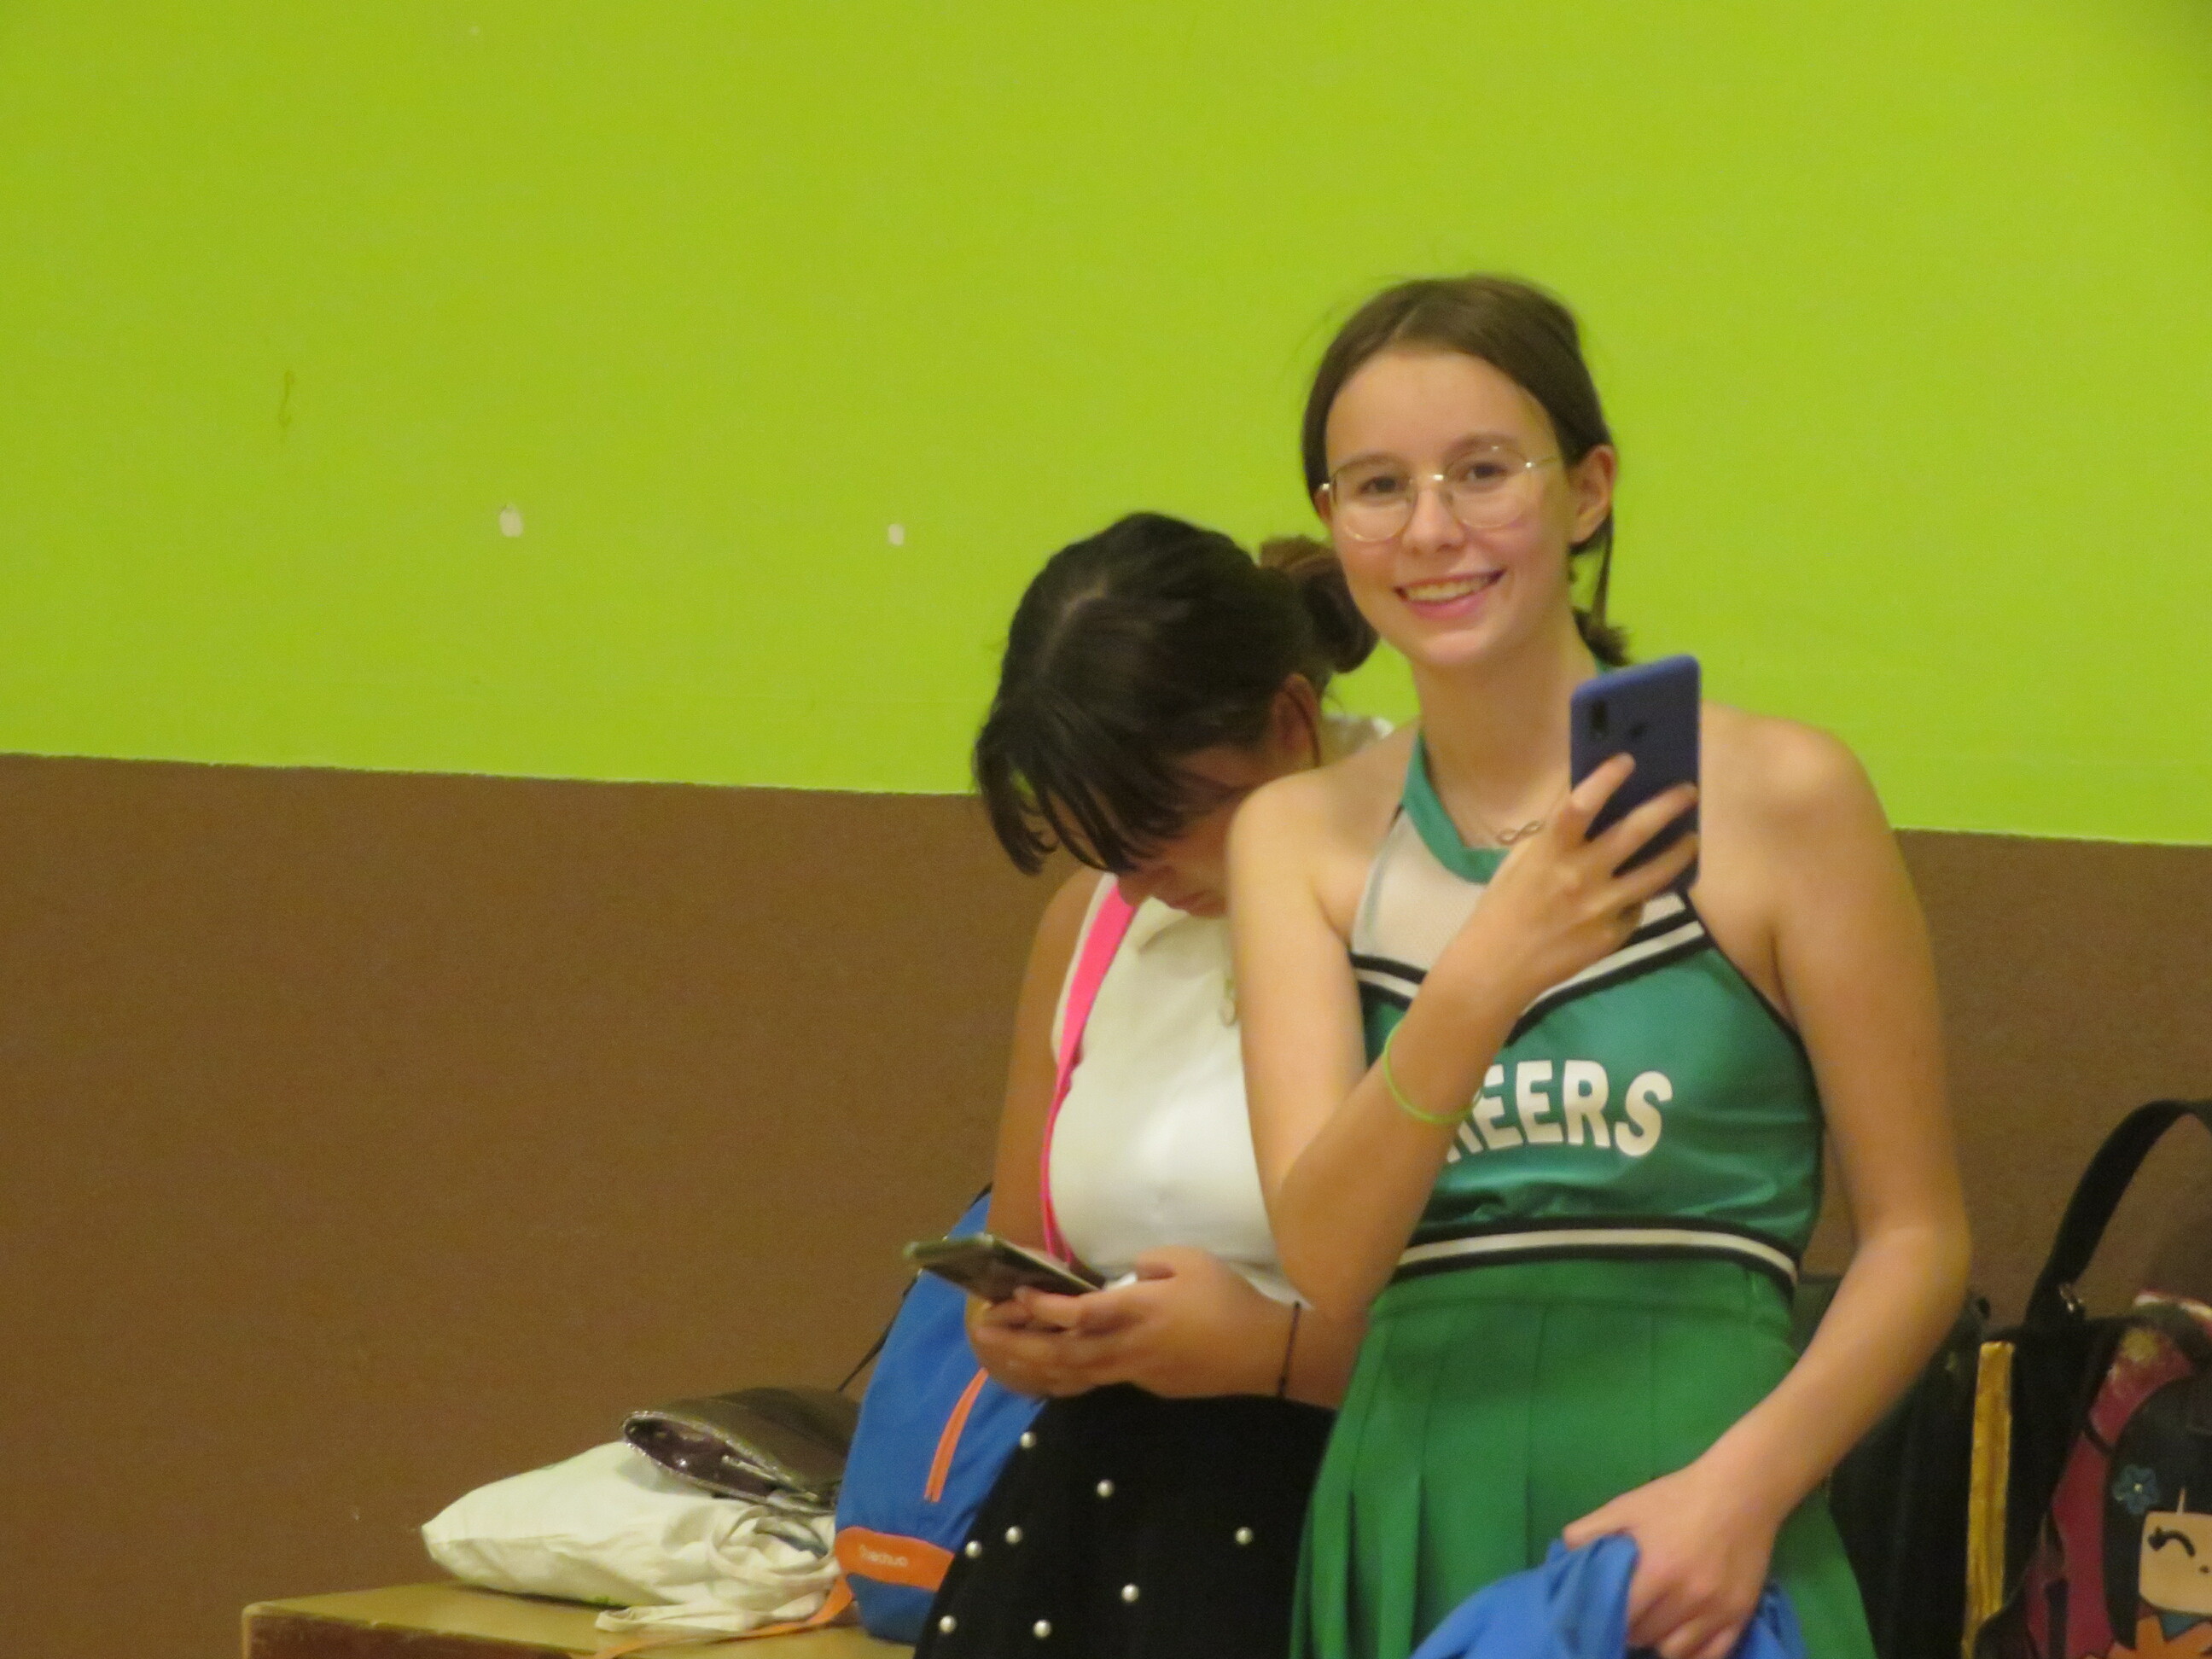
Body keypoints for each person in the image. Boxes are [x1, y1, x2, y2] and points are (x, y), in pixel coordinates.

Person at [1228, 276, 1971, 1659]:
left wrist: (1739, 1495)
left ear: (1588, 490)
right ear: (1333, 523)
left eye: (1483, 471)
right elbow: (1327, 1261)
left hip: (1709, 1519)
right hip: (1414, 1495)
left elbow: (1920, 1239)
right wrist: (1486, 971)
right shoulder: (1297, 838)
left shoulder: (1788, 797)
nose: (1432, 529)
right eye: (1378, 486)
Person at [917, 512, 1385, 1659]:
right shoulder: (1094, 923)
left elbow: (1534, 1336)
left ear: (1292, 724)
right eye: (1105, 848)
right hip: (1099, 1528)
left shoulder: (1428, 882)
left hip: (1350, 1515)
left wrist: (1270, 1351)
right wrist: (1022, 1337)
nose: (1144, 883)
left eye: (1164, 827)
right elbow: (1029, 1247)